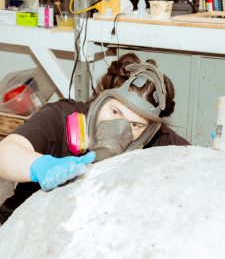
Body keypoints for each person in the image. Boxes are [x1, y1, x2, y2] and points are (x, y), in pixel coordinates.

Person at [0, 53, 189, 225]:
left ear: (149, 130)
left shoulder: (153, 139)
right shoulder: (61, 117)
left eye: (135, 124)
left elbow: (200, 168)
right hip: (21, 224)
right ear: (99, 100)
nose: (121, 128)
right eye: (115, 111)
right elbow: (6, 151)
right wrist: (40, 166)